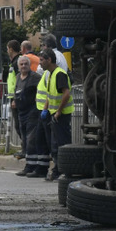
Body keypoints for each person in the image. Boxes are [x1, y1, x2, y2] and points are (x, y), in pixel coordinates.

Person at [40, 48, 73, 181]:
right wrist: (45, 109)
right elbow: (50, 94)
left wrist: (58, 111)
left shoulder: (59, 74)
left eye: (42, 60)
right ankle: (58, 169)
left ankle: (64, 170)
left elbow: (66, 93)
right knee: (55, 145)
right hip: (54, 114)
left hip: (61, 115)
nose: (40, 63)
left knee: (62, 144)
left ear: (49, 60)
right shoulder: (50, 74)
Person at [13, 55, 44, 176]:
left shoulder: (35, 77)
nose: (24, 66)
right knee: (25, 138)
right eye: (21, 64)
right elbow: (16, 91)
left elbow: (41, 90)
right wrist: (15, 100)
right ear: (18, 66)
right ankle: (29, 165)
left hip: (33, 111)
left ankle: (32, 166)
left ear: (29, 65)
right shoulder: (17, 77)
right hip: (22, 112)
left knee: (31, 139)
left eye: (26, 64)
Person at [25, 61, 52, 178]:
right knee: (40, 140)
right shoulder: (45, 74)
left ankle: (54, 170)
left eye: (41, 61)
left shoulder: (50, 74)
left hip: (47, 111)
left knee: (50, 142)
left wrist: (46, 109)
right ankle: (41, 168)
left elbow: (50, 94)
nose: (39, 63)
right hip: (41, 111)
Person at [5, 40, 23, 156]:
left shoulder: (18, 62)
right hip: (15, 98)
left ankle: (26, 149)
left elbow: (20, 81)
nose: (7, 51)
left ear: (11, 49)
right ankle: (25, 148)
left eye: (7, 49)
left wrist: (15, 98)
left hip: (18, 99)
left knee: (20, 125)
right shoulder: (14, 62)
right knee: (18, 125)